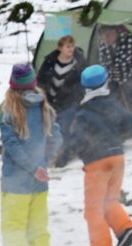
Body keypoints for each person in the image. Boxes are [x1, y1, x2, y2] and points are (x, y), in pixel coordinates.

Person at [0, 63, 62, 246]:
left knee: (14, 229)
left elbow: (12, 146)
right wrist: (44, 163)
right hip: (39, 183)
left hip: (15, 184)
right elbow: (56, 138)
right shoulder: (46, 108)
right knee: (38, 230)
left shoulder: (9, 112)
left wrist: (32, 167)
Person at [69, 64, 132, 246]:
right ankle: (125, 228)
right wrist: (116, 134)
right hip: (118, 157)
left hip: (97, 162)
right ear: (105, 82)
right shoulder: (113, 105)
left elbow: (75, 139)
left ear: (85, 87)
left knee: (94, 208)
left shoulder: (83, 113)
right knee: (109, 200)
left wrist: (78, 152)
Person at [36, 35, 86, 166]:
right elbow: (40, 79)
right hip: (50, 100)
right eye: (68, 46)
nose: (71, 49)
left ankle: (64, 154)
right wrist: (41, 94)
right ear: (60, 48)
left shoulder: (79, 63)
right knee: (48, 127)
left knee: (64, 126)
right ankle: (46, 154)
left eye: (72, 46)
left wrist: (77, 98)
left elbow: (82, 84)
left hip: (70, 101)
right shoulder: (50, 61)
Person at [98, 25, 132, 110]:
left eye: (108, 36)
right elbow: (103, 63)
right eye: (103, 38)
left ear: (115, 32)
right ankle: (116, 120)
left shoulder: (131, 40)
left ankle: (130, 118)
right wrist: (107, 76)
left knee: (128, 98)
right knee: (112, 99)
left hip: (131, 75)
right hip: (113, 77)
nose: (105, 40)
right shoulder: (103, 45)